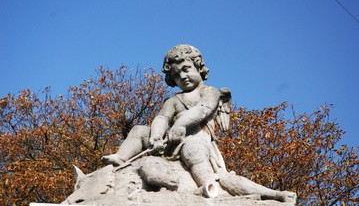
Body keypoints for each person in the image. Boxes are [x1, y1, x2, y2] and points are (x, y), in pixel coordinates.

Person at [102, 44, 296, 202]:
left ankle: (209, 186)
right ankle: (121, 158)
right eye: (177, 75)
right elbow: (162, 118)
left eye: (186, 70)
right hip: (171, 143)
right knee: (138, 129)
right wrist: (155, 137)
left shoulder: (210, 92)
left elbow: (202, 110)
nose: (183, 77)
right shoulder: (172, 101)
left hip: (198, 141)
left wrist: (180, 126)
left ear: (199, 68)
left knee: (192, 148)